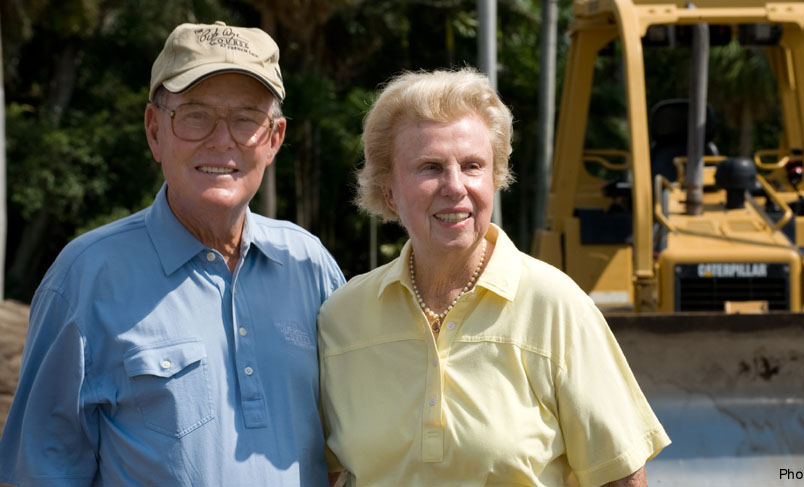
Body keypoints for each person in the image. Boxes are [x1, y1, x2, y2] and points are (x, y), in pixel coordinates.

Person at [0, 21, 344, 486]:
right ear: (154, 130)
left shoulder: (310, 265)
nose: (222, 140)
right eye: (196, 115)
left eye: (246, 118)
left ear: (274, 139)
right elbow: (39, 470)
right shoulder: (86, 278)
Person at [317, 68, 670, 487]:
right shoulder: (342, 318)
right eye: (429, 167)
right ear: (389, 190)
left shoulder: (555, 305)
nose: (454, 186)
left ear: (495, 179)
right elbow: (332, 472)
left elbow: (622, 479)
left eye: (472, 166)